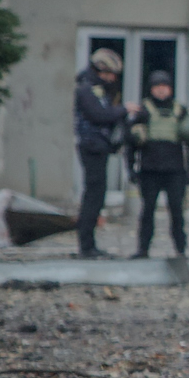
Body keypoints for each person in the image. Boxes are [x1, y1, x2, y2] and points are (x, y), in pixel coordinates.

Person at [125, 69, 189, 260]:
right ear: (151, 89)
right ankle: (143, 250)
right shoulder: (143, 111)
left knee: (176, 212)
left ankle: (180, 250)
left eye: (164, 87)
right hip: (149, 170)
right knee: (147, 211)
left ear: (170, 89)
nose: (161, 91)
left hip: (175, 171)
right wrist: (131, 168)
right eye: (157, 87)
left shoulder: (180, 111)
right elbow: (131, 142)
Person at [72, 50, 129, 258]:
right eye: (111, 74)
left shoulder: (98, 89)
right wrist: (123, 110)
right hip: (92, 147)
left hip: (99, 147)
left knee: (97, 195)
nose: (113, 79)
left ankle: (89, 245)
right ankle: (86, 246)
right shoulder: (87, 89)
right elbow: (99, 115)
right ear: (102, 70)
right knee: (93, 196)